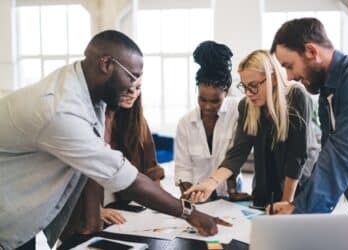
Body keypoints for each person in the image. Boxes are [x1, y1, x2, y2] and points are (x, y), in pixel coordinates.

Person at [0, 30, 228, 250]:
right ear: (106, 64)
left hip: (19, 214)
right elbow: (123, 176)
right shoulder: (61, 110)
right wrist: (191, 214)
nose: (133, 87)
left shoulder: (86, 89)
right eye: (133, 76)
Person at [267, 17, 348, 250]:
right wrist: (297, 204)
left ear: (311, 51)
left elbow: (341, 155)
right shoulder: (329, 92)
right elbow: (328, 156)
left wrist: (300, 216)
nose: (289, 77)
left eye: (288, 65)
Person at [185, 49, 319, 209]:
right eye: (245, 86)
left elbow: (297, 157)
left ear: (273, 79)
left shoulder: (296, 96)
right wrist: (210, 183)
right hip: (264, 191)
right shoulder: (247, 106)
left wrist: (285, 202)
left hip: (297, 190)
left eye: (254, 86)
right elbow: (238, 153)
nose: (248, 93)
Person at [61, 79, 165, 239]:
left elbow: (151, 170)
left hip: (125, 211)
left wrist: (157, 203)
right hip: (82, 218)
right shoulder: (82, 121)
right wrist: (94, 209)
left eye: (138, 88)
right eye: (127, 88)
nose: (133, 94)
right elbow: (65, 183)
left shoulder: (137, 121)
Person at [175, 41, 251, 201]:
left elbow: (235, 154)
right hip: (197, 196)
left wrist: (231, 190)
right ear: (196, 90)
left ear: (226, 92)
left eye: (215, 101)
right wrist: (190, 195)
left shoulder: (238, 111)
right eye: (202, 99)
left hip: (230, 195)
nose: (208, 106)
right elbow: (183, 168)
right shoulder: (185, 123)